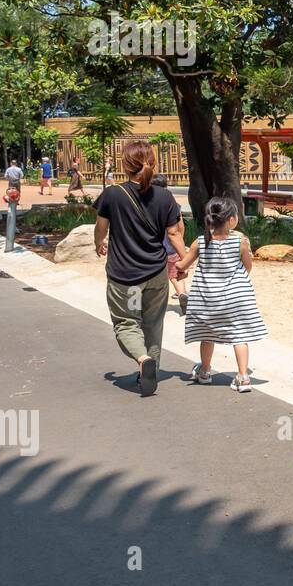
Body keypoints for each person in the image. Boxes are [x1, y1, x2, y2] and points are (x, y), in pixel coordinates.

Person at [94, 141, 190, 396]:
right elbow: (174, 233)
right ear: (153, 163)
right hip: (155, 275)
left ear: (125, 165)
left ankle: (142, 359)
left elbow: (101, 228)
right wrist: (184, 261)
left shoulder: (112, 194)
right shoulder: (165, 196)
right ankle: (151, 373)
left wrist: (98, 243)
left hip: (125, 278)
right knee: (152, 324)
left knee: (126, 322)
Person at [177, 196, 268, 392]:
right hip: (235, 299)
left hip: (207, 300)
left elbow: (183, 264)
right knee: (239, 336)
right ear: (232, 220)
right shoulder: (241, 242)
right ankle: (243, 377)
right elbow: (247, 267)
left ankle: (205, 371)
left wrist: (179, 268)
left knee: (207, 335)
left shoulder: (200, 242)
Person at [152, 176, 189, 313]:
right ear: (166, 187)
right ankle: (182, 293)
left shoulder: (148, 204)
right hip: (171, 247)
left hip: (154, 249)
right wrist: (180, 242)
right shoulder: (172, 203)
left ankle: (151, 303)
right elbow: (180, 227)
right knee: (175, 274)